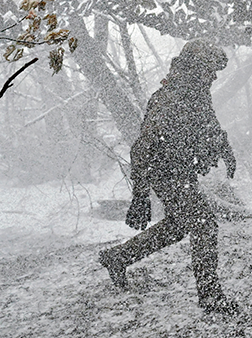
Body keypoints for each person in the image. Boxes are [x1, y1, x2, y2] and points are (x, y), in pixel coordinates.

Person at [99, 39, 238, 314]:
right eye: (210, 71)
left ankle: (118, 257)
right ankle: (210, 297)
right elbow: (141, 148)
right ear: (196, 68)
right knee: (204, 225)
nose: (213, 77)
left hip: (181, 170)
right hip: (166, 173)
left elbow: (208, 123)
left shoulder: (195, 93)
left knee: (178, 225)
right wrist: (139, 195)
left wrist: (225, 147)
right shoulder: (169, 99)